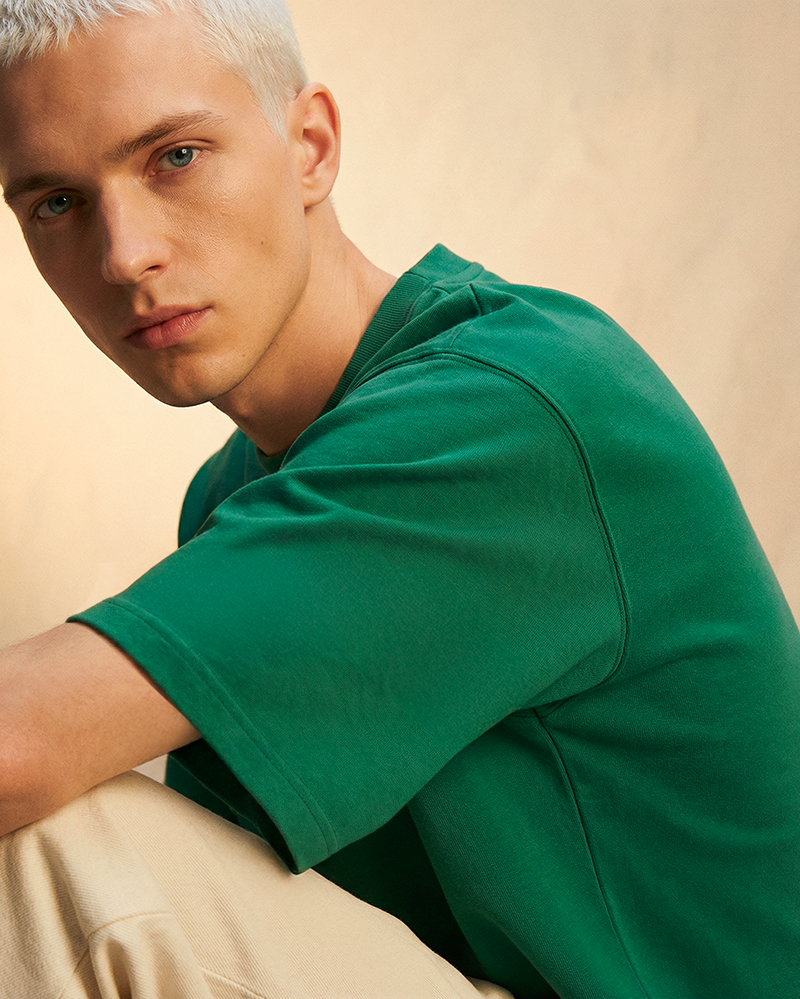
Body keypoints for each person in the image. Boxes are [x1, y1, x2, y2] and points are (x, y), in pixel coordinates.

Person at [0, 0, 798, 996]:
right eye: (57, 203)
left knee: (63, 840)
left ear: (310, 147)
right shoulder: (233, 498)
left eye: (176, 157)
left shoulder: (506, 413)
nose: (125, 255)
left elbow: (17, 748)